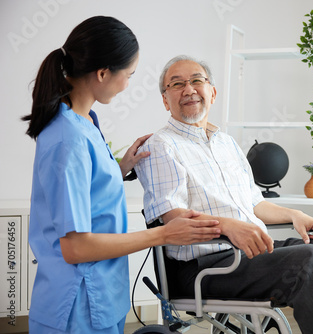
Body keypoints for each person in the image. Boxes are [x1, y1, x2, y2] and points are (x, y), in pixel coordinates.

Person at [134, 54, 313, 334]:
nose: (189, 89)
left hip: (253, 254)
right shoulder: (161, 145)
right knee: (309, 259)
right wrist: (229, 227)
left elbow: (255, 203)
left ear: (213, 92)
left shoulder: (226, 143)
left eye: (197, 80)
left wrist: (294, 214)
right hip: (206, 267)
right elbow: (173, 217)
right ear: (165, 99)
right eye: (177, 84)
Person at [23, 19, 221, 334]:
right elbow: (75, 247)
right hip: (77, 301)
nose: (128, 84)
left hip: (104, 291)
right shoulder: (67, 138)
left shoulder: (85, 120)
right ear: (103, 73)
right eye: (128, 75)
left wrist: (121, 167)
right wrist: (164, 235)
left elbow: (86, 190)